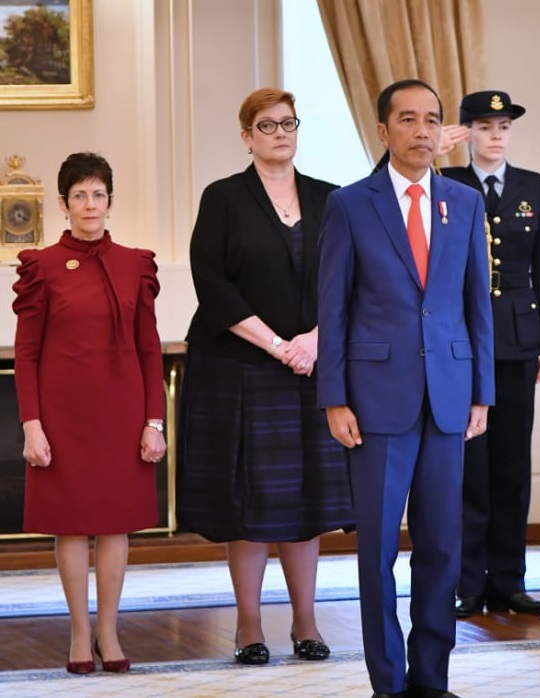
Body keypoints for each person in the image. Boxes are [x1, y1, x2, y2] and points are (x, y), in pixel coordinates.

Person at [318, 79, 495, 698]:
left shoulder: (463, 203)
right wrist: (334, 396)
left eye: (433, 120)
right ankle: (387, 681)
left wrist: (482, 391)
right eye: (409, 120)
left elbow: (477, 305)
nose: (423, 132)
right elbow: (334, 309)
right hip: (375, 402)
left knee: (443, 546)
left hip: (449, 398)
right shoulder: (349, 204)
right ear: (383, 131)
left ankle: (432, 679)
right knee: (378, 553)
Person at [176, 88, 355, 666]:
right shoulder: (223, 198)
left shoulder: (333, 199)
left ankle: (306, 621)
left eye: (288, 122)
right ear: (247, 135)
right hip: (241, 368)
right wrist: (281, 345)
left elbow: (354, 280)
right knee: (249, 502)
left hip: (313, 365)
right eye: (267, 124)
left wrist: (316, 341)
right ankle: (248, 626)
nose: (280, 132)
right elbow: (214, 286)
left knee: (305, 499)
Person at [13, 152, 167, 674]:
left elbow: (150, 349)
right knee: (72, 526)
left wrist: (154, 421)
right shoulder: (41, 267)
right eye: (79, 195)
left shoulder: (134, 263)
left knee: (117, 525)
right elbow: (27, 352)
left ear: (110, 201)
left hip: (122, 414)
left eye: (98, 194)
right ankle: (80, 630)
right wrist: (31, 424)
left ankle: (110, 630)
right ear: (63, 204)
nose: (89, 204)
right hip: (61, 417)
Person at [440, 90, 540, 619]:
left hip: (516, 342)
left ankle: (509, 580)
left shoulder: (534, 188)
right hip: (460, 341)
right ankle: (467, 582)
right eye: (485, 127)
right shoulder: (445, 183)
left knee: (512, 467)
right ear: (465, 133)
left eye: (504, 126)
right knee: (469, 468)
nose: (496, 136)